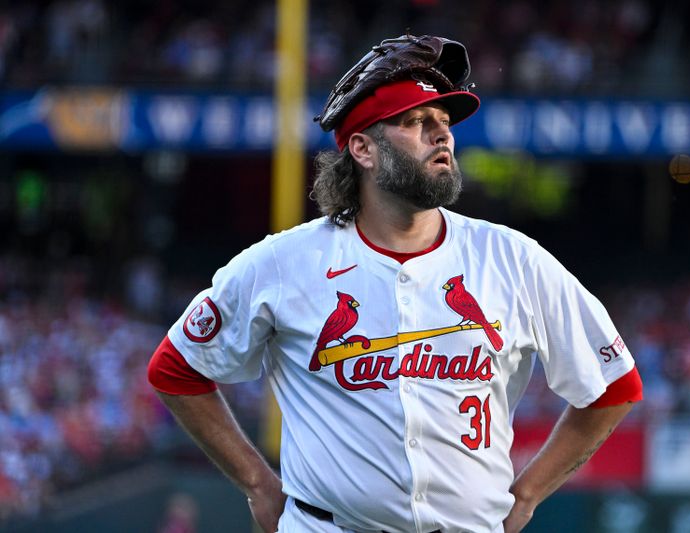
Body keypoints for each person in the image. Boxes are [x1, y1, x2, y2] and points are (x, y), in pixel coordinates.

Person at [147, 35, 642, 533]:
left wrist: (529, 493)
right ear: (362, 148)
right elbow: (176, 368)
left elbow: (615, 383)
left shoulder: (512, 258)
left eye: (444, 122)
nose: (441, 135)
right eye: (415, 122)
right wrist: (257, 482)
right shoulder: (283, 263)